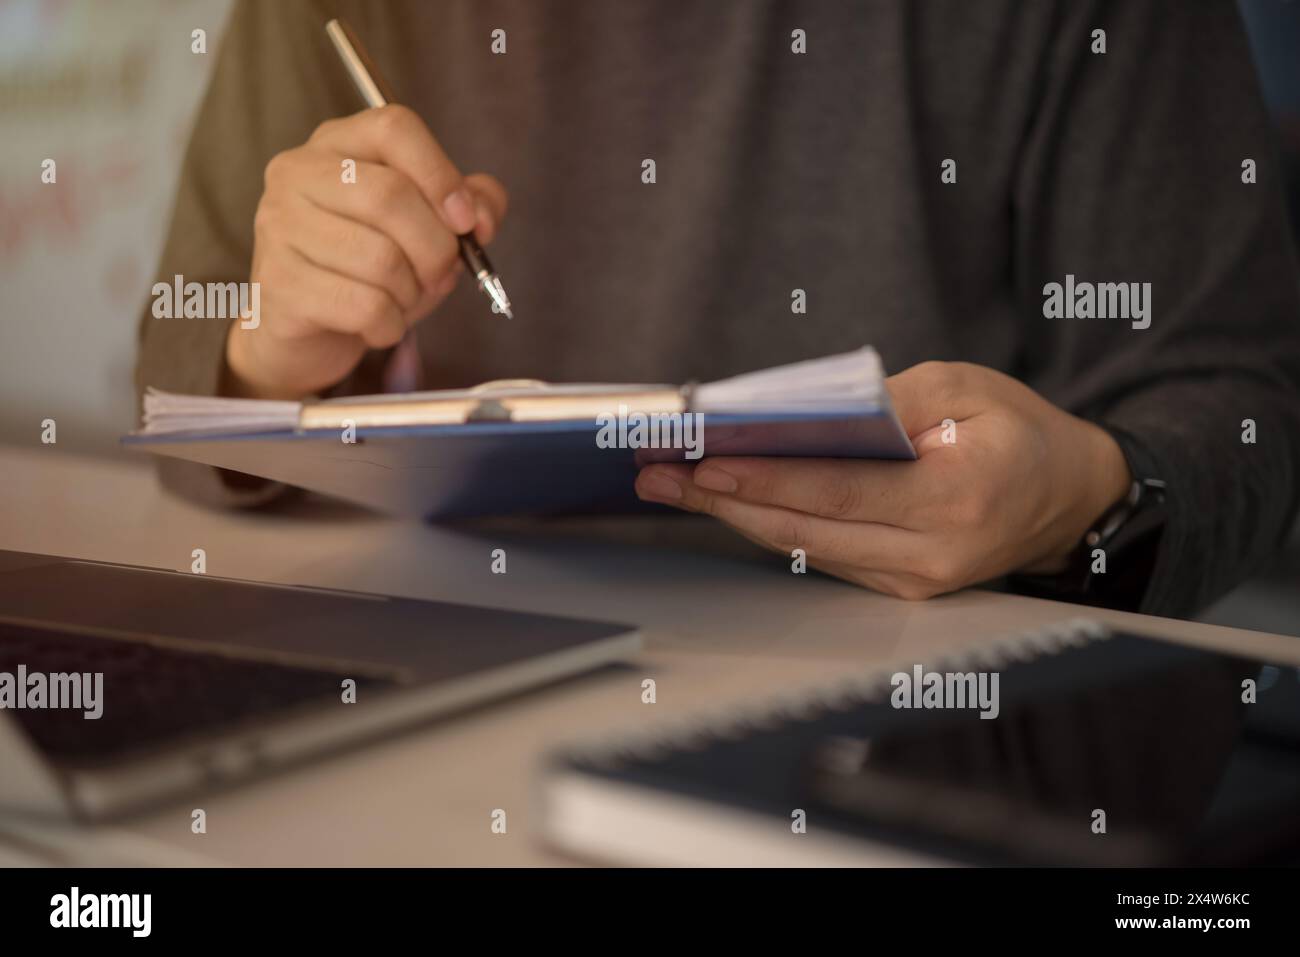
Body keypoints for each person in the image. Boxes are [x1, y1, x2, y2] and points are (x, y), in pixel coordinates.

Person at [136, 0, 1300, 617]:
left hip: (922, 722)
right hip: (427, 662)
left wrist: (1089, 501)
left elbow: (1240, 403)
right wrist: (268, 353)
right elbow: (179, 383)